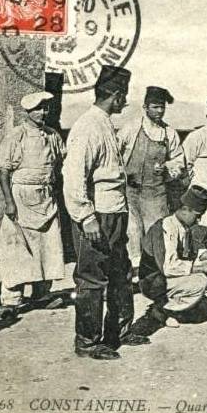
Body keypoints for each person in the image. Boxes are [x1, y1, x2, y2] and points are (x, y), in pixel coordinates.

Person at [64, 66, 150, 360]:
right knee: (92, 278)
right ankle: (88, 341)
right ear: (114, 96)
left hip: (115, 213)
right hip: (97, 215)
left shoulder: (104, 124)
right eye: (122, 97)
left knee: (120, 274)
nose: (124, 103)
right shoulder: (88, 126)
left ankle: (119, 331)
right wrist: (86, 218)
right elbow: (74, 177)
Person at [0, 91, 66, 319]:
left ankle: (41, 294)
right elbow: (3, 169)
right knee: (16, 249)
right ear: (28, 111)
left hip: (46, 197)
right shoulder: (16, 136)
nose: (43, 113)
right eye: (38, 109)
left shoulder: (52, 135)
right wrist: (9, 201)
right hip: (21, 198)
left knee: (47, 246)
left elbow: (61, 164)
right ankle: (11, 300)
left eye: (46, 108)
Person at [138, 186, 207, 330]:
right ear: (185, 209)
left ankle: (178, 310)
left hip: (173, 279)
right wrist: (200, 267)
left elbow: (191, 255)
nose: (198, 220)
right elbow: (169, 267)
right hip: (153, 281)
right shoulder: (165, 227)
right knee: (200, 282)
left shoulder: (185, 227)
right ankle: (161, 310)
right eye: (197, 215)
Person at [117, 86, 185, 271]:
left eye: (162, 107)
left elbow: (178, 161)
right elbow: (116, 153)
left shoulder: (169, 133)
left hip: (156, 193)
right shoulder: (131, 128)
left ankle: (155, 270)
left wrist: (168, 170)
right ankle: (135, 271)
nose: (159, 111)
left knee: (156, 231)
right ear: (145, 107)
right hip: (131, 192)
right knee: (132, 232)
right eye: (155, 107)